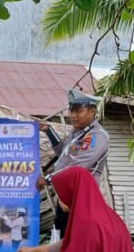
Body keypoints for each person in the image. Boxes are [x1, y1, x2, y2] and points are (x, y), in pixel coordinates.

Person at [40, 88, 110, 237]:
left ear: (92, 111)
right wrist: (49, 131)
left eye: (78, 111)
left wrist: (47, 179)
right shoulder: (77, 132)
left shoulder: (97, 136)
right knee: (60, 231)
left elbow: (78, 165)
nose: (73, 116)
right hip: (67, 191)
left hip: (82, 193)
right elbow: (64, 155)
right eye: (71, 111)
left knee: (76, 235)